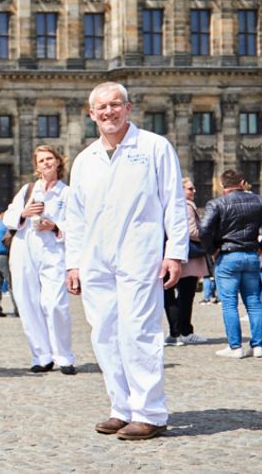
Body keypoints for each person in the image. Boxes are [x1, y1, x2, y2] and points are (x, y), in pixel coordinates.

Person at [63, 82, 188, 441]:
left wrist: (174, 252)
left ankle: (149, 411)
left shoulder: (154, 147)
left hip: (140, 254)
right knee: (103, 334)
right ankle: (122, 407)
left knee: (139, 331)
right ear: (91, 114)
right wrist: (74, 263)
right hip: (96, 258)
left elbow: (173, 203)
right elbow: (76, 218)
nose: (109, 112)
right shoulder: (85, 160)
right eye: (101, 107)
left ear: (128, 108)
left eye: (115, 105)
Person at [3, 145, 76, 375]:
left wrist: (55, 226)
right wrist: (23, 213)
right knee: (27, 301)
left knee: (54, 303)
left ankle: (64, 356)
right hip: (25, 246)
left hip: (53, 249)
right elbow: (8, 217)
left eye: (49, 158)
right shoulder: (28, 189)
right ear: (36, 166)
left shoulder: (67, 193)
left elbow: (78, 225)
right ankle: (41, 355)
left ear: (58, 162)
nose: (45, 163)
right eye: (41, 160)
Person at [198, 169, 262, 359]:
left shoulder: (216, 203)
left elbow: (203, 230)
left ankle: (235, 347)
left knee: (229, 304)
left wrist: (212, 250)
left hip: (227, 255)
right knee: (254, 303)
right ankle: (258, 346)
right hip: (251, 255)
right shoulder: (258, 201)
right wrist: (259, 246)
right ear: (242, 182)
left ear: (222, 185)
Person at [163, 178, 210, 346]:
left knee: (170, 296)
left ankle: (174, 332)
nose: (194, 191)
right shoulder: (186, 206)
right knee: (186, 295)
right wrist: (207, 234)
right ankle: (185, 331)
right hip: (188, 257)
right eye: (190, 188)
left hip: (170, 253)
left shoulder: (167, 204)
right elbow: (191, 231)